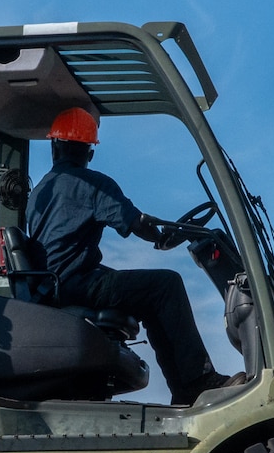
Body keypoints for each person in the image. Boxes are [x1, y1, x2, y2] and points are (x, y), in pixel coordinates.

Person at [26, 108, 242, 406]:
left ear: (54, 146)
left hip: (54, 285)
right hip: (77, 284)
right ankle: (199, 380)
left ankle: (185, 391)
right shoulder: (93, 184)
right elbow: (135, 222)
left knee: (149, 297)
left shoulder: (40, 192)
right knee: (166, 285)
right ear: (90, 153)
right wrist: (160, 236)